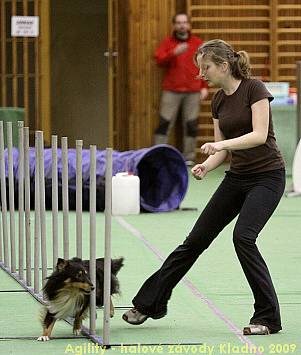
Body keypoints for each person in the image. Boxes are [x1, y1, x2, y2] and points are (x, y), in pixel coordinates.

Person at [123, 39, 285, 335]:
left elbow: (259, 135)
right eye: (201, 69)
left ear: (223, 66)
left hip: (268, 177)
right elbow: (222, 153)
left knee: (243, 238)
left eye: (206, 67)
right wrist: (206, 165)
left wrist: (220, 145)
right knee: (193, 242)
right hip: (237, 177)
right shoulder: (219, 100)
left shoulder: (255, 89)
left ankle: (267, 317)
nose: (202, 74)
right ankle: (150, 304)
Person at [153, 13, 209, 165]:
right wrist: (173, 53)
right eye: (178, 23)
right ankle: (157, 156)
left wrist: (204, 86)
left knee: (191, 125)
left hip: (193, 91)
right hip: (171, 90)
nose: (182, 25)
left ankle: (189, 157)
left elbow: (205, 66)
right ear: (174, 25)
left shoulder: (198, 43)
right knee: (164, 123)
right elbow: (158, 60)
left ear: (189, 25)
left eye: (184, 22)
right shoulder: (168, 42)